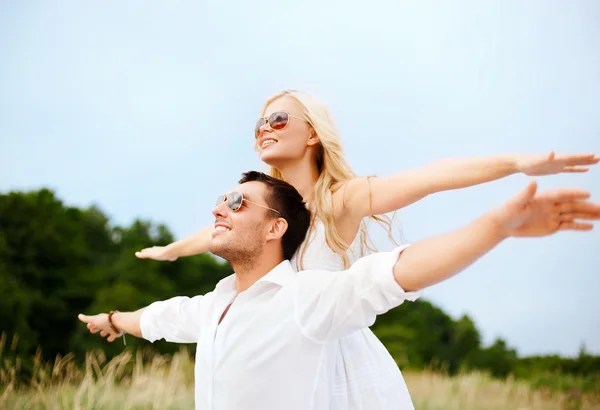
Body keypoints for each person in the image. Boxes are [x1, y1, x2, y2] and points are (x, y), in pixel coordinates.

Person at [133, 90, 599, 409]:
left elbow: (429, 178)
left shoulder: (340, 199)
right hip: (280, 359)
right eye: (258, 122)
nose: (263, 128)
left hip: (333, 358)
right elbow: (209, 236)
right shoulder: (262, 211)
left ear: (312, 133)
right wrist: (171, 250)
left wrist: (517, 164)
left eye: (278, 118)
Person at [80, 171, 600, 410]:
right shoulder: (215, 305)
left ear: (274, 229)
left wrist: (496, 225)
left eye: (238, 202)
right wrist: (113, 319)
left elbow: (400, 270)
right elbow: (159, 318)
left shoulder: (307, 300)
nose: (220, 208)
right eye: (220, 199)